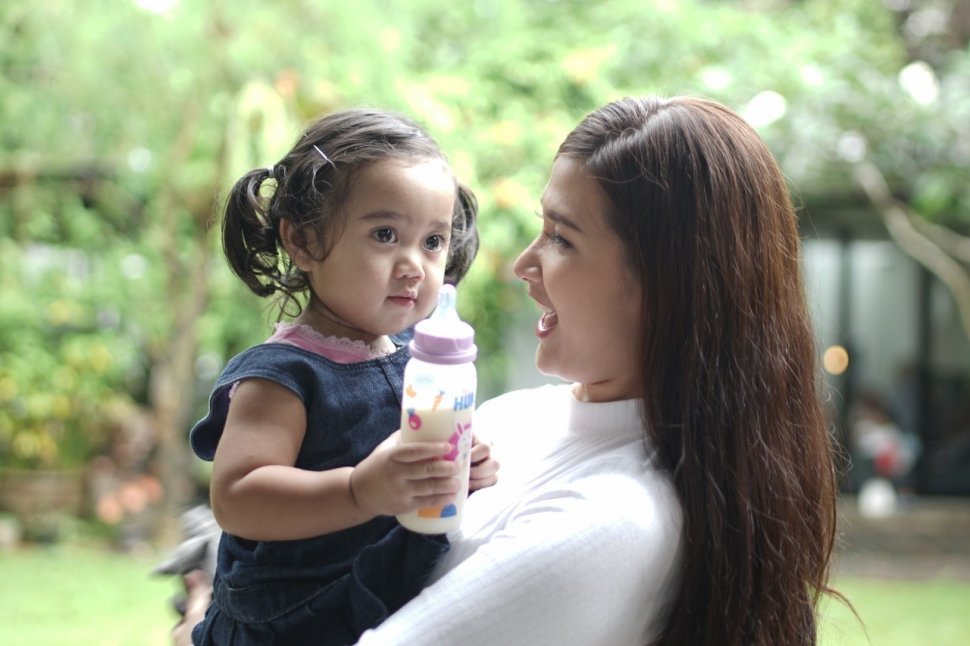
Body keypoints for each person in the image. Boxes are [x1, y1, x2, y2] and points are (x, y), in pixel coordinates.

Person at [176, 95, 840, 646]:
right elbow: (248, 497)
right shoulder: (520, 415)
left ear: (665, 286)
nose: (522, 264)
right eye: (385, 234)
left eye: (562, 237)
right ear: (303, 239)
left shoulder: (612, 520)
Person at [186, 108, 496, 645]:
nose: (415, 265)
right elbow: (237, 496)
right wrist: (359, 490)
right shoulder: (283, 376)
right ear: (302, 242)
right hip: (284, 624)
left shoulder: (413, 358)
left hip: (368, 606)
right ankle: (195, 607)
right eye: (384, 234)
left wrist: (459, 462)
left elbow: (410, 461)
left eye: (433, 242)